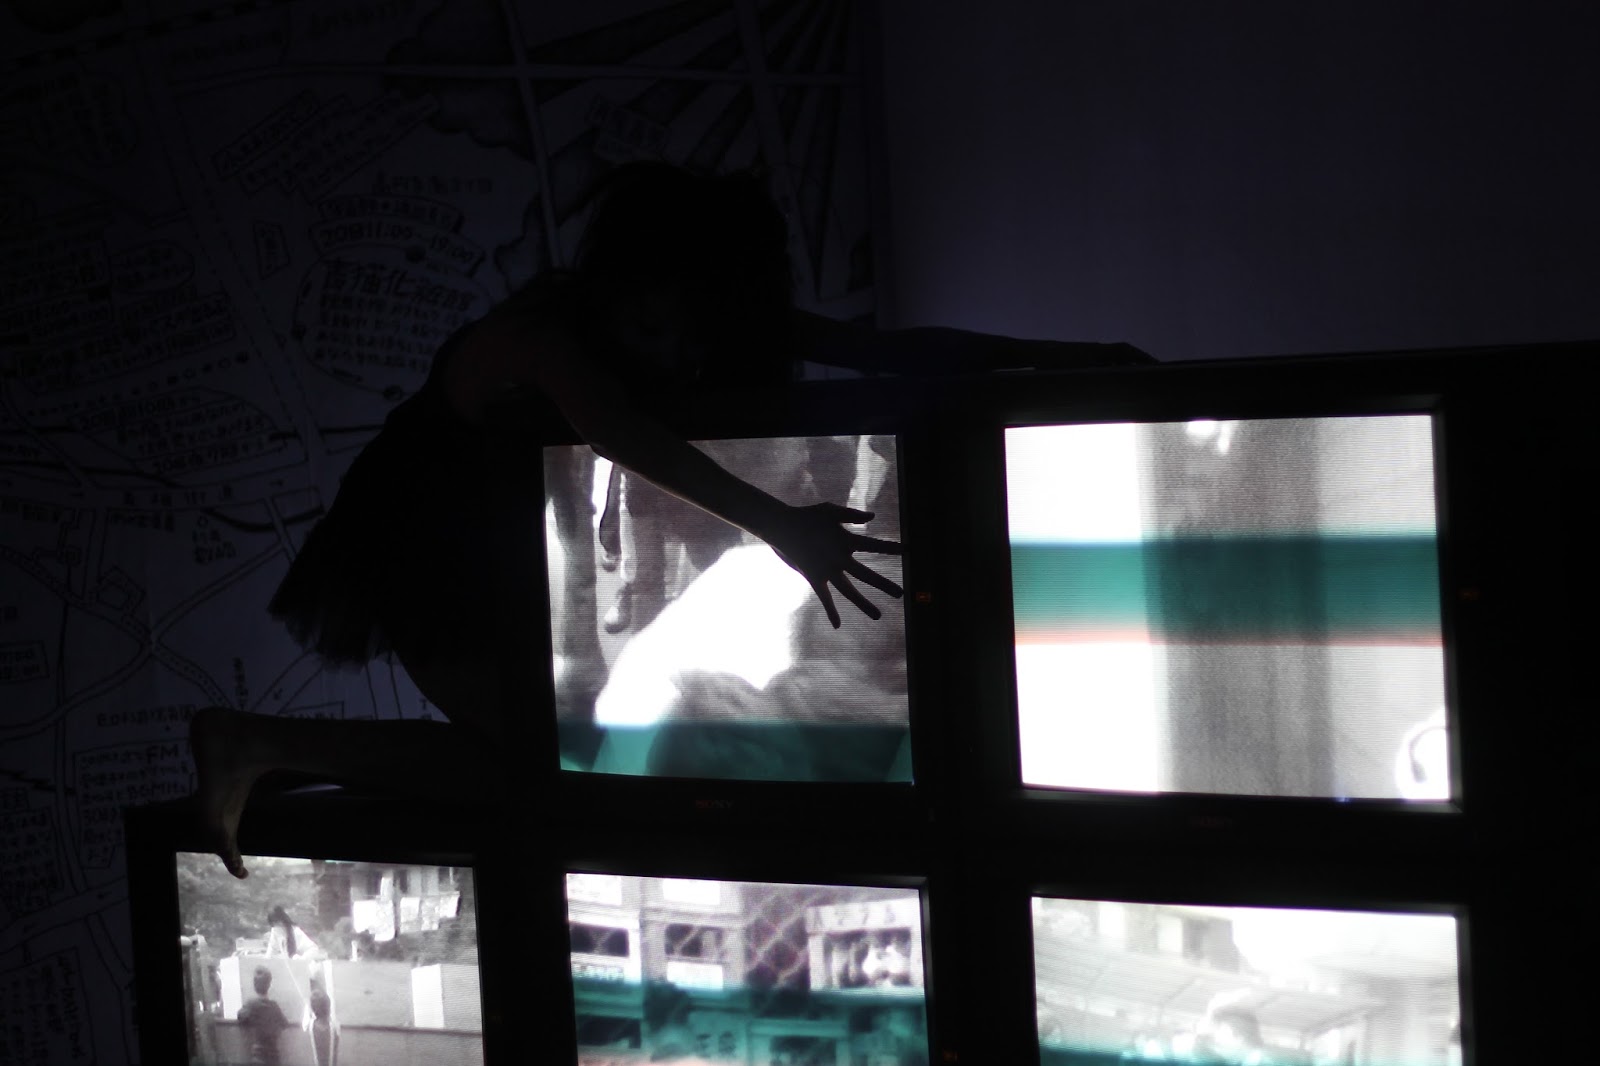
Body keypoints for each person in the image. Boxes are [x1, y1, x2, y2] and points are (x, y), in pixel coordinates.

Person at [191, 161, 1150, 877]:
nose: (674, 356)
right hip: (426, 550)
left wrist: (1059, 355)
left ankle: (262, 747)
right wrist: (783, 525)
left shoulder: (696, 318)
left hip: (506, 554)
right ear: (614, 285)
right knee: (535, 771)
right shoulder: (545, 337)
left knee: (547, 766)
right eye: (651, 329)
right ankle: (256, 743)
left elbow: (892, 350)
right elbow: (619, 434)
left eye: (693, 335)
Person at [236, 965, 292, 1066]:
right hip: (274, 1056)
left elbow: (241, 1016)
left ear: (254, 985)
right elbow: (285, 1024)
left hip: (259, 1057)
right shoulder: (274, 1006)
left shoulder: (251, 1004)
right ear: (269, 985)